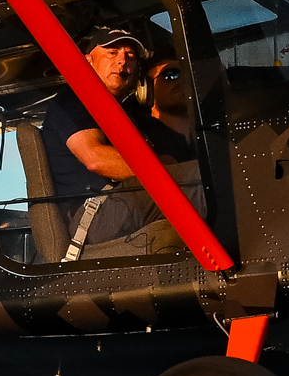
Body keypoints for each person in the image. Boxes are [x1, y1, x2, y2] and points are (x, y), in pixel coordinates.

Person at [40, 20, 195, 261]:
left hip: (120, 205)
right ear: (88, 61)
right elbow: (96, 158)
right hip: (97, 214)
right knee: (203, 183)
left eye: (130, 56)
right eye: (112, 53)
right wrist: (171, 173)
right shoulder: (74, 100)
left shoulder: (126, 116)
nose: (122, 61)